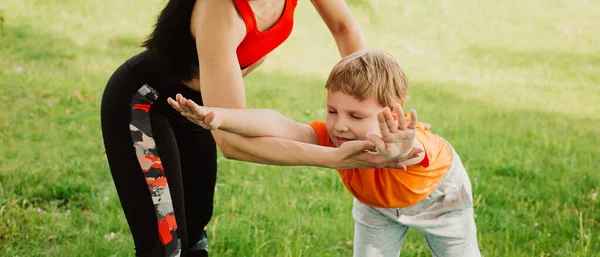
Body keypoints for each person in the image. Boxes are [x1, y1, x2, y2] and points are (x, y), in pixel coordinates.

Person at [100, 0, 411, 256]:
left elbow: (344, 28)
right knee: (166, 243)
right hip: (143, 105)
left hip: (197, 107)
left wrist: (376, 109)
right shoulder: (220, 10)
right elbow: (234, 143)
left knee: (194, 231)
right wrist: (334, 157)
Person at [169, 50, 482, 256]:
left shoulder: (409, 139)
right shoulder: (331, 133)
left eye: (356, 116)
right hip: (376, 206)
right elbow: (280, 124)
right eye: (333, 111)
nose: (340, 126)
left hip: (441, 201)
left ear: (393, 113)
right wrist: (221, 117)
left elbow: (411, 150)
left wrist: (397, 148)